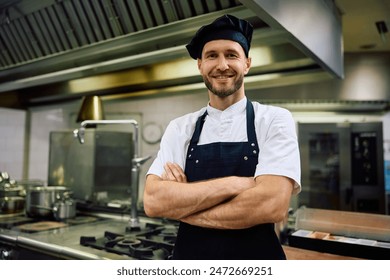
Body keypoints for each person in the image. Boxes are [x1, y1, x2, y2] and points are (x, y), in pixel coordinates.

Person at [143, 14, 301, 260]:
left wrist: (183, 208)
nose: (222, 65)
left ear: (247, 63)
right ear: (200, 65)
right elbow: (154, 201)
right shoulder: (180, 127)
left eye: (231, 54)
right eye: (212, 56)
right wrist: (237, 184)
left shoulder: (274, 119)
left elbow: (272, 204)